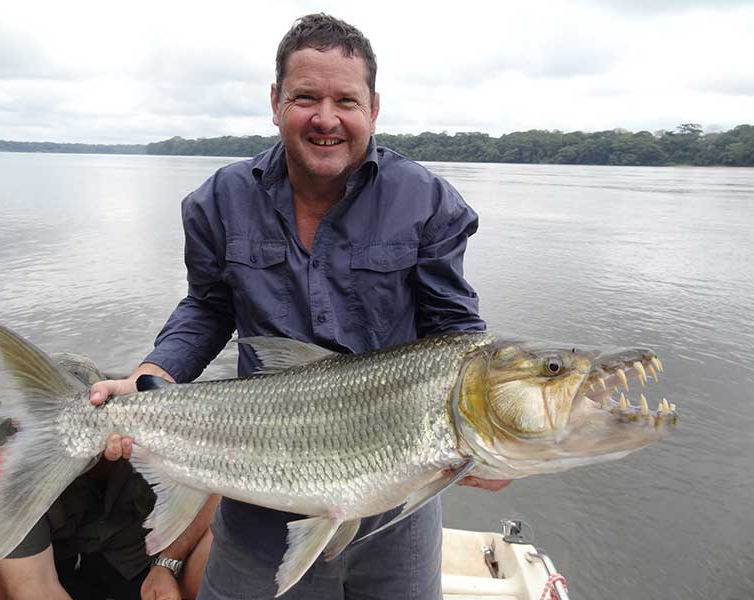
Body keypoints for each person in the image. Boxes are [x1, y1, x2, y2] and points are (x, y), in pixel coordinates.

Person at [91, 13, 509, 600]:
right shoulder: (219, 200)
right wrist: (153, 374)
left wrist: (488, 427)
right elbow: (208, 308)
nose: (326, 119)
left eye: (347, 100)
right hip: (257, 485)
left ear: (374, 108)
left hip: (398, 497)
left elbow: (457, 334)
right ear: (275, 101)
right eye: (305, 98)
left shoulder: (425, 200)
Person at [0, 355, 211, 600]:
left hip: (141, 563)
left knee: (221, 547)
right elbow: (34, 585)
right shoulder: (3, 453)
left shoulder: (150, 405)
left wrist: (167, 565)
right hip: (58, 566)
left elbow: (215, 491)